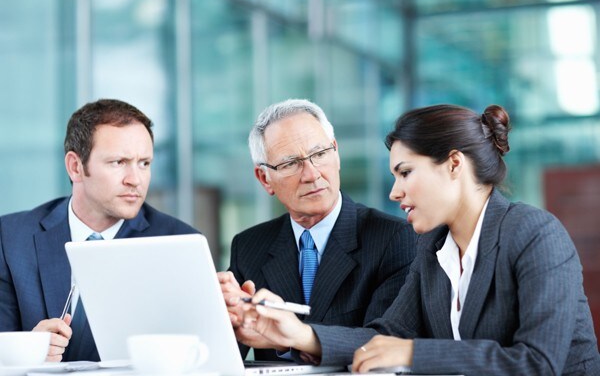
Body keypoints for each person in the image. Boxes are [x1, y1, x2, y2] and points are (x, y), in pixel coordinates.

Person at [237, 104, 600, 375]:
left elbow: (538, 363)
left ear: (454, 164)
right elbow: (386, 334)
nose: (395, 193)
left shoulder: (535, 234)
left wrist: (412, 353)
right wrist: (297, 334)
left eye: (406, 173)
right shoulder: (434, 247)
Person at [0, 99, 198, 362]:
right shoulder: (12, 237)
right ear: (75, 167)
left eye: (144, 163)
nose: (135, 179)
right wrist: (27, 349)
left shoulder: (179, 242)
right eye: (118, 162)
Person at [218, 98, 417, 361]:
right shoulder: (249, 246)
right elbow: (225, 356)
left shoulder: (394, 238)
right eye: (290, 163)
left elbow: (388, 343)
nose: (311, 174)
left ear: (336, 153)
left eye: (319, 154)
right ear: (265, 178)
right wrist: (221, 313)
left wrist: (297, 335)